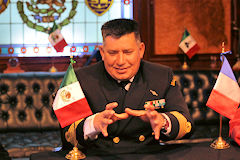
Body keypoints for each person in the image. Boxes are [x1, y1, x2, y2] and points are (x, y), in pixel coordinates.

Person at [61, 18, 194, 155]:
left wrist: (163, 121)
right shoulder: (80, 79)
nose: (120, 61)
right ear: (102, 52)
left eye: (127, 52)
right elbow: (67, 134)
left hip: (147, 155)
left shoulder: (161, 75)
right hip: (98, 156)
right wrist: (93, 124)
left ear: (141, 50)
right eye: (112, 53)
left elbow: (187, 125)